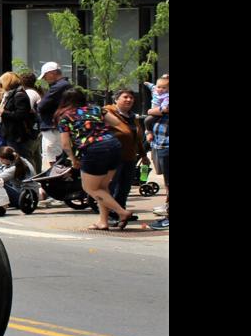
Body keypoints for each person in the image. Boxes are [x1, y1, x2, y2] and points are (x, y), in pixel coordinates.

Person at [54, 87, 135, 231]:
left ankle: (122, 212)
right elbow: (117, 123)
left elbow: (66, 144)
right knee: (102, 188)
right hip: (114, 145)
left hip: (94, 150)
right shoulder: (97, 110)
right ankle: (103, 222)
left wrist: (73, 159)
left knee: (89, 188)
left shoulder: (65, 117)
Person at [104, 88, 145, 225]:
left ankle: (121, 212)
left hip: (130, 157)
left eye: (131, 98)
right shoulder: (108, 112)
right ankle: (108, 215)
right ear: (116, 99)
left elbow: (137, 138)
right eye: (125, 97)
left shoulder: (133, 117)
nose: (129, 100)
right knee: (111, 186)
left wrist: (143, 155)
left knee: (124, 187)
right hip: (113, 156)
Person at [33, 61, 73, 169]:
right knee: (51, 155)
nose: (45, 79)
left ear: (52, 73)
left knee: (52, 155)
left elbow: (41, 106)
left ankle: (54, 178)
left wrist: (39, 104)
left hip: (52, 126)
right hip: (55, 126)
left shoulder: (58, 87)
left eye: (45, 76)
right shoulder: (65, 85)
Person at [147, 74, 168, 229]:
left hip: (166, 145)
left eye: (164, 87)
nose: (160, 89)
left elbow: (164, 109)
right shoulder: (158, 92)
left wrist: (151, 110)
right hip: (160, 144)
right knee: (167, 182)